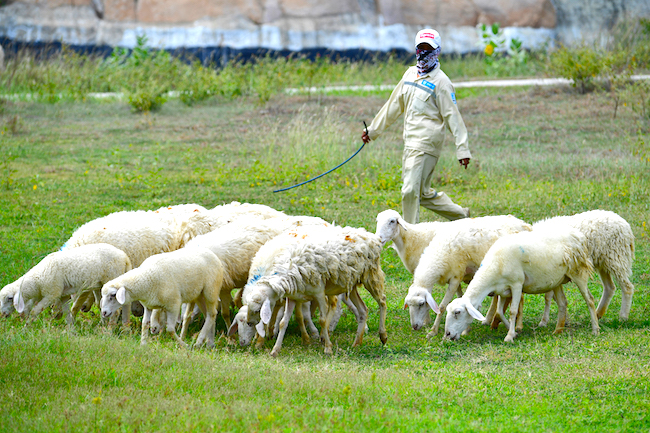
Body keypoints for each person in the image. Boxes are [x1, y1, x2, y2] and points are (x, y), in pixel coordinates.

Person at [362, 28, 471, 224]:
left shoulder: (442, 83)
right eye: (420, 48)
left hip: (427, 144)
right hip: (410, 143)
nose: (424, 53)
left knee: (409, 191)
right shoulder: (410, 74)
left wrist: (462, 149)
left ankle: (410, 236)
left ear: (437, 51)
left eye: (429, 49)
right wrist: (373, 131)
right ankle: (462, 216)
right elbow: (393, 105)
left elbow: (453, 117)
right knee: (421, 193)